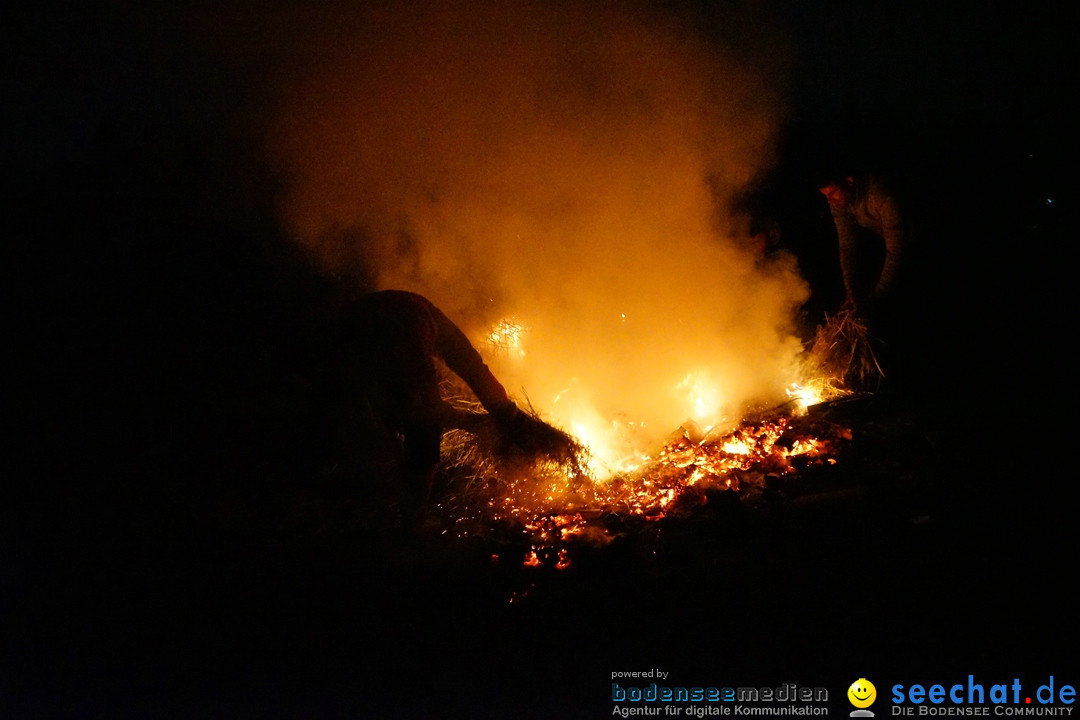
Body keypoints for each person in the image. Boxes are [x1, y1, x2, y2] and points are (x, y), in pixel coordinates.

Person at [328, 289, 526, 512]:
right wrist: (475, 423)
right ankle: (411, 516)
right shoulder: (407, 335)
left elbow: (473, 369)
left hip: (363, 329)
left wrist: (506, 413)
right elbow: (428, 409)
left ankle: (400, 501)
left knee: (407, 422)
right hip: (357, 346)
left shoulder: (433, 327)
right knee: (421, 430)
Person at [816, 173, 914, 333]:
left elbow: (895, 252)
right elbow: (848, 244)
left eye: (832, 193)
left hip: (917, 235)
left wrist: (877, 298)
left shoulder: (881, 196)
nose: (829, 200)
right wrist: (850, 290)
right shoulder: (840, 202)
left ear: (849, 182)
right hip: (887, 239)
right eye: (825, 195)